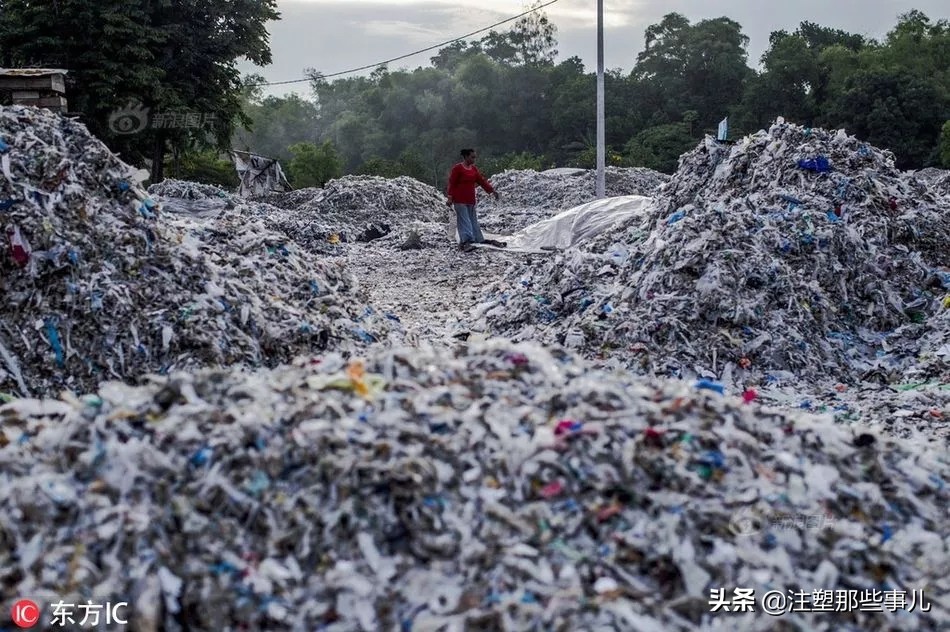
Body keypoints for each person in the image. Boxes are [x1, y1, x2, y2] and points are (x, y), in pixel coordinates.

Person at [445, 149, 505, 251]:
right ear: (466, 157)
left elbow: (481, 181)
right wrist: (450, 197)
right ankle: (466, 241)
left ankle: (478, 239)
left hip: (470, 200)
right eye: (472, 157)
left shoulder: (473, 169)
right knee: (464, 221)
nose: (474, 159)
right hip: (460, 199)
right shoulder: (458, 169)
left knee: (473, 221)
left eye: (474, 157)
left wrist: (492, 191)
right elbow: (452, 183)